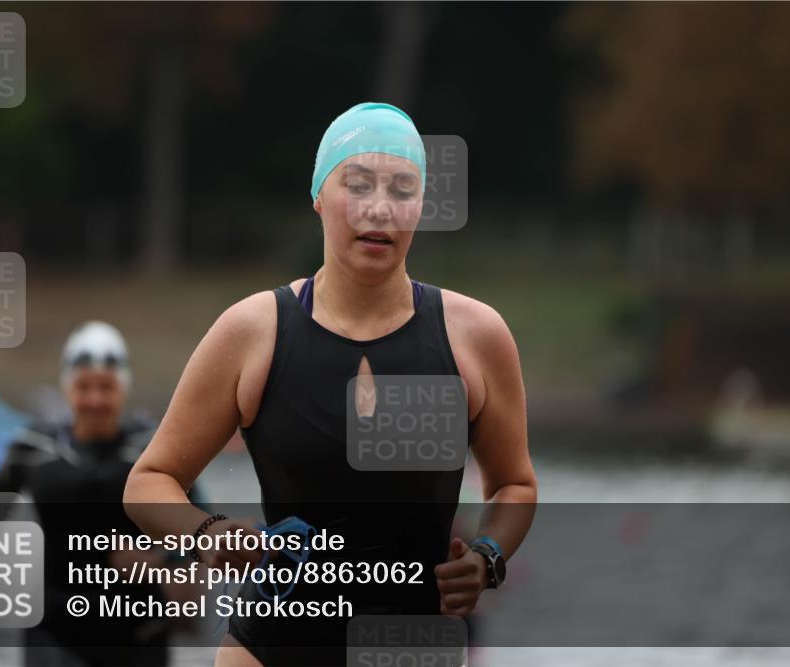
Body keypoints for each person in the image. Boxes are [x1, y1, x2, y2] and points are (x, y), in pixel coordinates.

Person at [124, 102, 537, 666]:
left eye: (403, 188)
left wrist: (488, 556)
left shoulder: (476, 336)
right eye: (358, 183)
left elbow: (514, 484)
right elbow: (149, 481)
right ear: (319, 194)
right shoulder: (253, 332)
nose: (379, 207)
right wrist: (212, 533)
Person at [0, 321, 204, 667]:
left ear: (123, 389)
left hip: (138, 627)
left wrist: (162, 563)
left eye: (106, 387)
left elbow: (203, 530)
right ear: (67, 388)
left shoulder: (152, 448)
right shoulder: (32, 447)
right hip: (53, 624)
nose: (95, 399)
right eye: (84, 387)